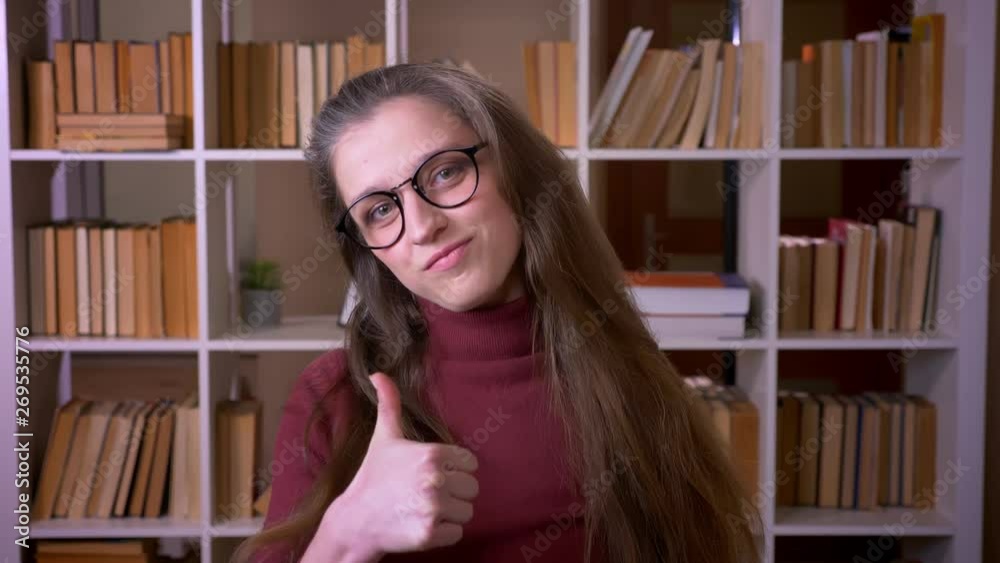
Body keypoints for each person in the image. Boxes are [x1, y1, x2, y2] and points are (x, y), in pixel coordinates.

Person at [234, 62, 762, 563]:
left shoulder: (624, 366)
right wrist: (351, 531)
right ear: (367, 247)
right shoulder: (334, 399)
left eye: (443, 173)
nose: (421, 227)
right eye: (378, 210)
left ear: (514, 169)